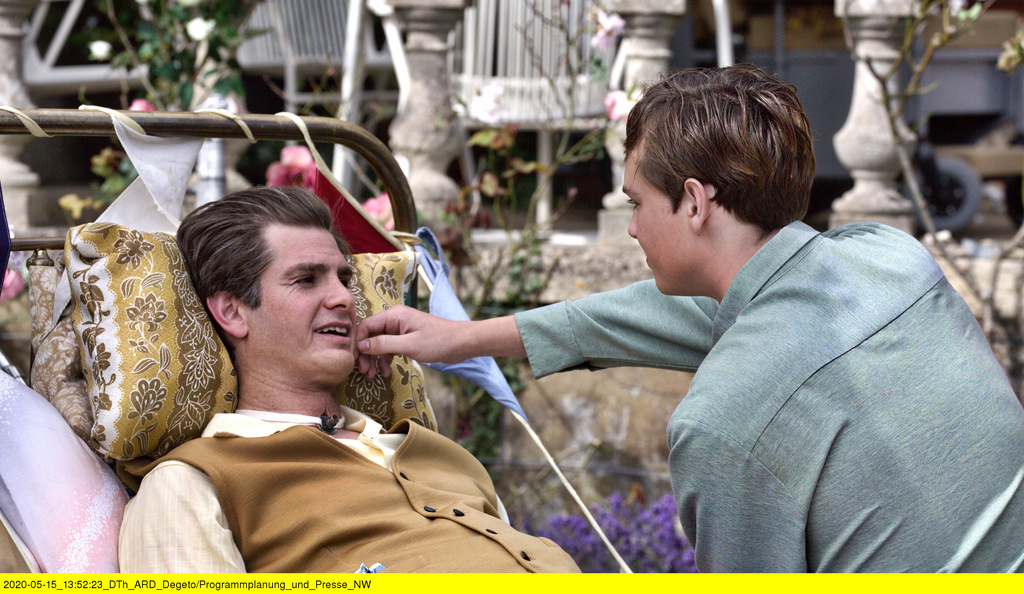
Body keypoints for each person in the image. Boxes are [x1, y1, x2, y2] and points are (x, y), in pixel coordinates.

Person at [356, 64, 1024, 572]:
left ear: (696, 203)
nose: (631, 229)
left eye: (636, 203)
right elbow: (667, 315)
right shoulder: (892, 258)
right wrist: (467, 337)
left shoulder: (723, 422)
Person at [117, 185, 580, 573]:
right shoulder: (192, 484)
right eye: (306, 280)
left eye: (344, 278)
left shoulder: (438, 453)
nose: (344, 297)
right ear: (233, 312)